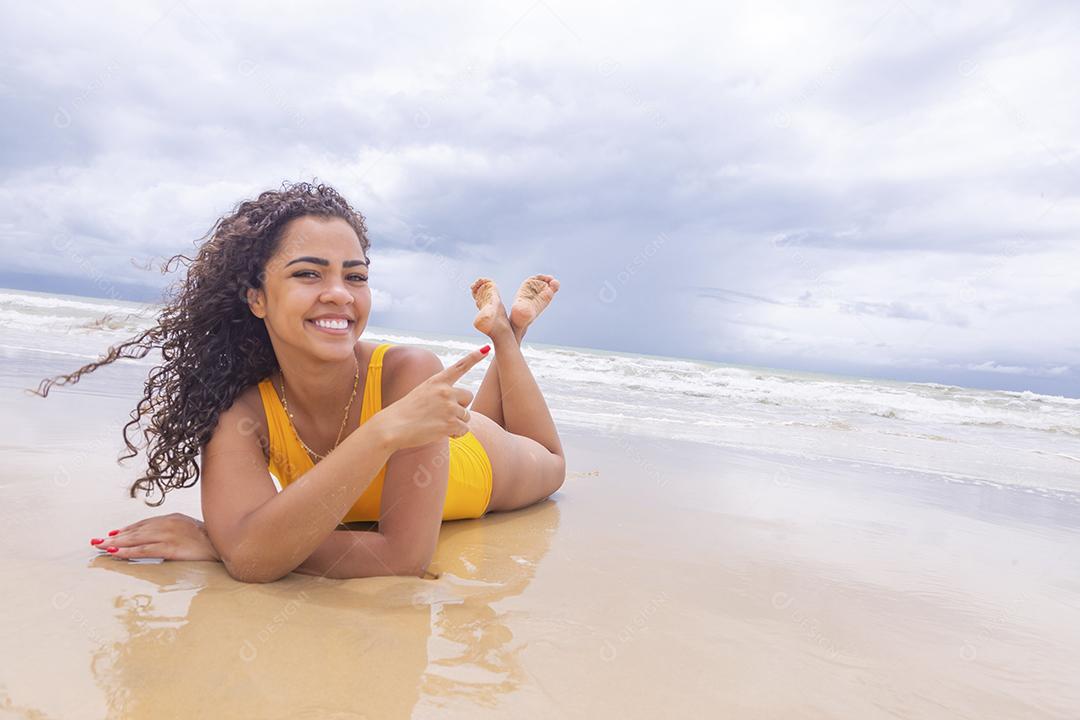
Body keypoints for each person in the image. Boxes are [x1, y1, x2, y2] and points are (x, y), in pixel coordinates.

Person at [34, 182, 565, 582]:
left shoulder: (410, 373)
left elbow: (400, 559)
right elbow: (251, 552)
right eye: (309, 273)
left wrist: (225, 542)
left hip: (481, 465)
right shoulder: (242, 410)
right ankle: (508, 333)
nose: (340, 293)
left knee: (548, 460)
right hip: (422, 427)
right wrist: (242, 544)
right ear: (257, 298)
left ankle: (507, 333)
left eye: (355, 276)